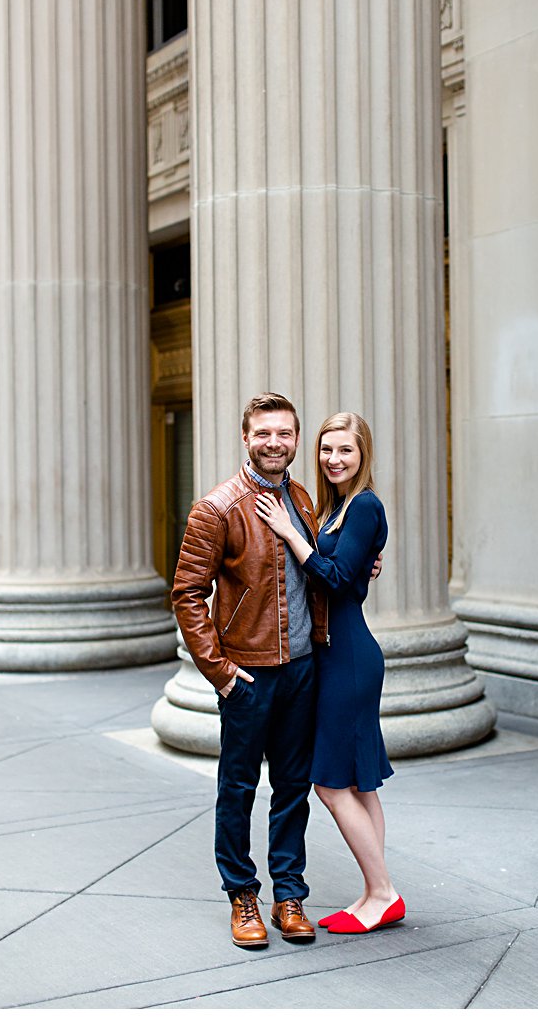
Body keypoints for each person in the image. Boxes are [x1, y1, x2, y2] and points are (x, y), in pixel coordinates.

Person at [172, 392, 326, 948]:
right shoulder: (217, 508)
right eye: (263, 433)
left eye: (284, 433)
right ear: (246, 437)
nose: (274, 443)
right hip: (249, 676)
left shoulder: (304, 500)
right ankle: (242, 894)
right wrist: (221, 672)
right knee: (237, 787)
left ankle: (289, 894)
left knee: (292, 787)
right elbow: (188, 594)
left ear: (295, 439)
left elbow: (319, 571)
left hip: (303, 668)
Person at [254, 411, 404, 935]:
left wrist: (291, 536)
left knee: (331, 785)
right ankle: (375, 890)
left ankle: (382, 892)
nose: (334, 459)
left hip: (350, 659)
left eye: (345, 450)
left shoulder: (364, 504)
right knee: (362, 785)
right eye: (326, 450)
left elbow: (339, 581)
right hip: (338, 655)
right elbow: (350, 569)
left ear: (363, 455)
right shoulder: (337, 509)